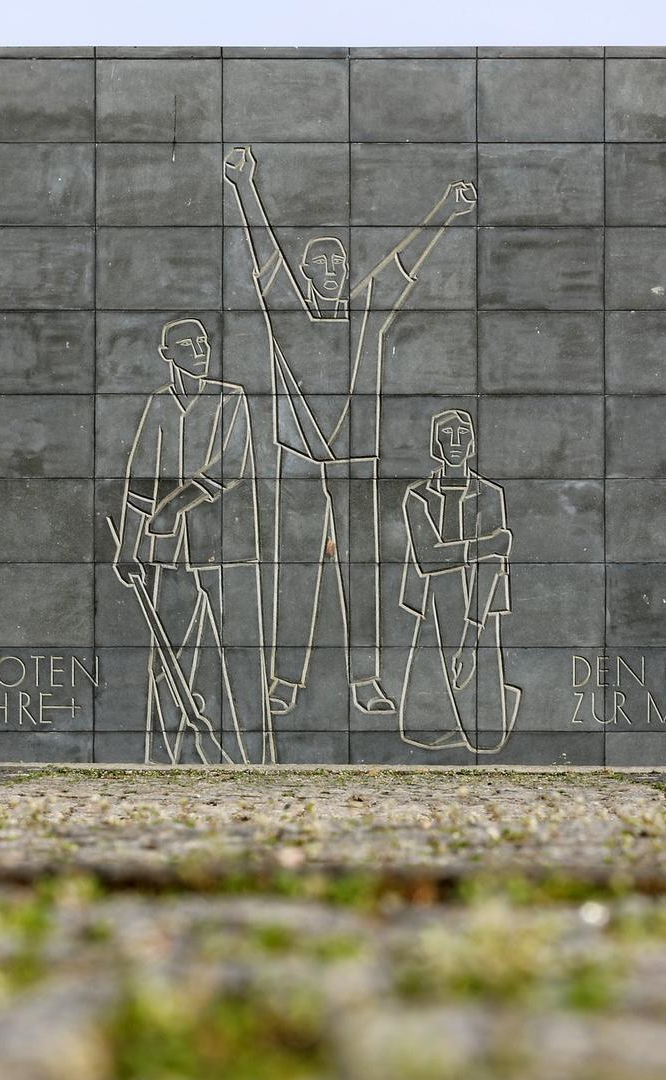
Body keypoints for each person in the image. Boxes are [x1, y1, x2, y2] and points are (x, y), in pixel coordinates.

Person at [223, 145, 476, 717]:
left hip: (357, 462)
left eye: (341, 263)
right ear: (308, 273)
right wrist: (244, 185)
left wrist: (448, 210)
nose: (335, 271)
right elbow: (265, 256)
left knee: (361, 573)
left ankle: (366, 680)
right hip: (300, 461)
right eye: (324, 264)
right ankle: (285, 680)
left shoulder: (365, 315)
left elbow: (402, 265)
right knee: (296, 573)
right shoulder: (287, 312)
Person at [112, 317, 272, 765]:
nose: (200, 349)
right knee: (166, 660)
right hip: (170, 555)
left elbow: (231, 465)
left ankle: (251, 759)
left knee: (240, 660)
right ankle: (165, 759)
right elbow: (140, 481)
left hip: (228, 551)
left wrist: (172, 508)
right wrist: (128, 549)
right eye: (188, 344)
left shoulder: (231, 398)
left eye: (204, 342)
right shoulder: (161, 404)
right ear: (169, 354)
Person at [395, 409, 520, 754]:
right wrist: (489, 544)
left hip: (479, 602)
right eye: (447, 434)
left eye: (463, 434)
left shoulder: (489, 494)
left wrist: (470, 635)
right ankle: (451, 718)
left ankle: (499, 699)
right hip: (434, 601)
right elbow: (428, 557)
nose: (455, 442)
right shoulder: (418, 495)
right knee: (421, 730)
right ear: (436, 442)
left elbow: (492, 566)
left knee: (488, 739)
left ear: (473, 442)